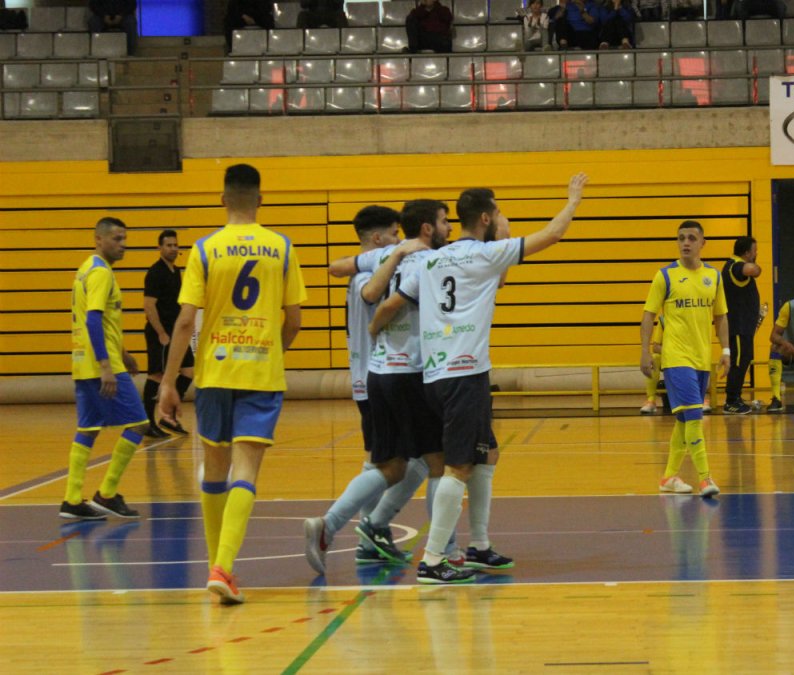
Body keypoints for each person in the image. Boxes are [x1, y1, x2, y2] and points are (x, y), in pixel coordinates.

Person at [392, 175, 588, 584]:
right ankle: (432, 560)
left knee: (486, 456)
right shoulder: (486, 254)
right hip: (463, 374)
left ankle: (479, 545)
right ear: (485, 217)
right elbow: (553, 234)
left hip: (438, 372)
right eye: (497, 211)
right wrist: (572, 200)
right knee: (459, 465)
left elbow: (399, 299)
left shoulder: (431, 258)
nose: (501, 217)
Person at [158, 164, 307, 605]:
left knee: (215, 470)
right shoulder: (280, 246)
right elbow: (294, 320)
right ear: (261, 199)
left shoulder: (204, 249)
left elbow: (185, 321)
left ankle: (217, 565)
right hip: (260, 372)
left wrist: (168, 383)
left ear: (222, 199)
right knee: (246, 471)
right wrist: (270, 351)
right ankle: (224, 567)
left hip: (215, 372)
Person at [301, 206, 438, 575]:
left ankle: (368, 538)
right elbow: (366, 290)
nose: (400, 240)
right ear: (379, 239)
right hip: (381, 375)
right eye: (394, 234)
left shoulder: (372, 262)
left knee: (388, 461)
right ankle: (350, 527)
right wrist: (395, 254)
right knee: (410, 461)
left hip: (373, 377)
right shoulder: (381, 268)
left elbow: (337, 265)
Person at [60, 217, 150, 521]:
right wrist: (107, 366)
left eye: (125, 239)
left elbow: (100, 320)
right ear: (98, 239)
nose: (122, 244)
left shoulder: (85, 269)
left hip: (82, 362)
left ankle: (72, 500)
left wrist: (123, 354)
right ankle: (107, 493)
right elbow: (93, 319)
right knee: (138, 424)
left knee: (87, 429)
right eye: (116, 239)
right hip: (100, 365)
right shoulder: (100, 273)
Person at [641, 220, 730, 497]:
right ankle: (705, 478)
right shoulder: (665, 276)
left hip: (702, 358)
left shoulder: (713, 277)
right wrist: (645, 351)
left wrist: (726, 351)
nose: (685, 243)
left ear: (703, 243)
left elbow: (721, 317)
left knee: (684, 421)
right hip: (676, 358)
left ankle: (669, 477)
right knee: (694, 414)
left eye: (691, 238)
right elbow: (648, 316)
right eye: (681, 238)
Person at [141, 229, 193, 439]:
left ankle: (168, 416)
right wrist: (161, 332)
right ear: (159, 248)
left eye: (175, 245)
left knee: (189, 370)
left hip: (176, 331)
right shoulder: (155, 273)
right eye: (168, 245)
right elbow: (149, 305)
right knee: (157, 375)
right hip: (160, 332)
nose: (173, 248)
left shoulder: (176, 271)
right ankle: (147, 422)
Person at [721, 236, 762, 415]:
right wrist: (757, 266)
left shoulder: (734, 266)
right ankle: (731, 401)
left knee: (744, 359)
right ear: (746, 253)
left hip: (744, 327)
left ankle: (736, 397)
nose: (756, 253)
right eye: (755, 251)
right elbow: (752, 269)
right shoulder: (735, 267)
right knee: (738, 361)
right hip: (738, 326)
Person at [640, 318, 663, 414]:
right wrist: (673, 352)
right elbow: (656, 347)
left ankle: (700, 399)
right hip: (670, 356)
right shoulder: (664, 320)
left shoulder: (693, 318)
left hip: (688, 356)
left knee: (699, 356)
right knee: (654, 359)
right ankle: (651, 400)